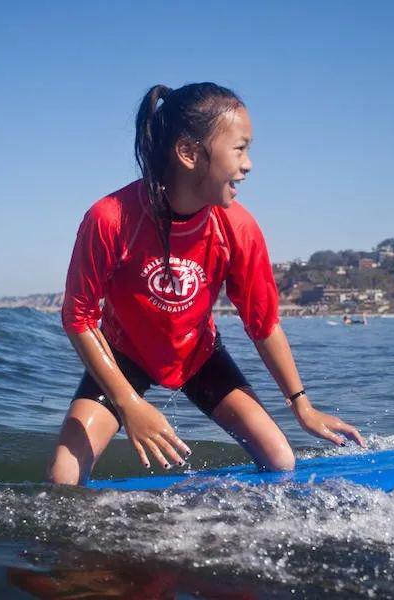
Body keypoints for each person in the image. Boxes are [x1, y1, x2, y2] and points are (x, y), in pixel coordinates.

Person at [46, 83, 365, 486]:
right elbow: (78, 317)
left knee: (280, 459)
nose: (249, 165)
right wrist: (128, 403)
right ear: (189, 153)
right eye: (240, 149)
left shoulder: (238, 227)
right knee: (63, 477)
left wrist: (302, 406)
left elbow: (263, 324)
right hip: (123, 354)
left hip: (198, 355)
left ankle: (218, 512)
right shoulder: (111, 218)